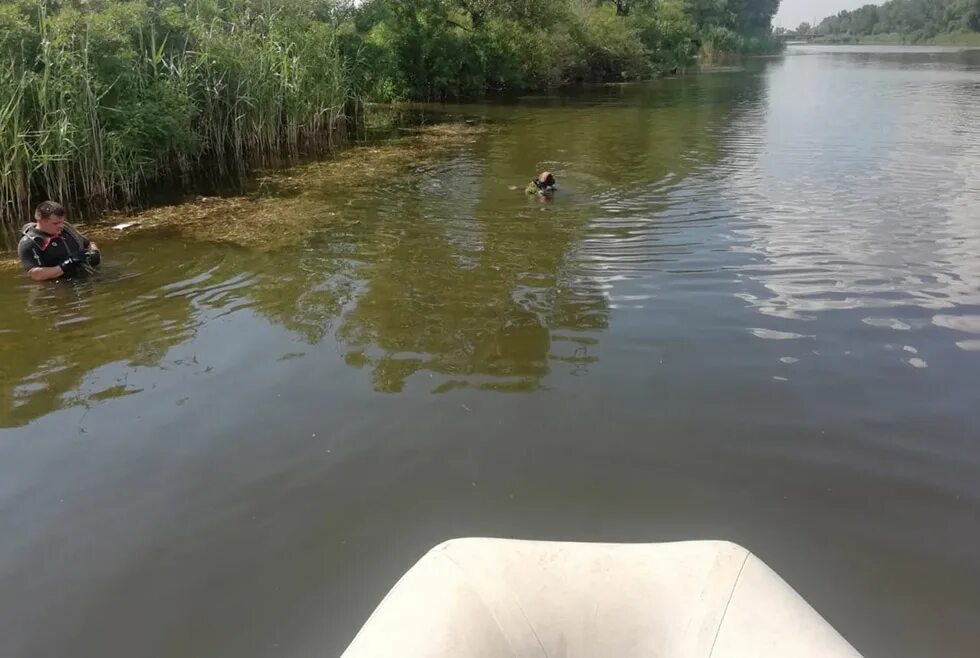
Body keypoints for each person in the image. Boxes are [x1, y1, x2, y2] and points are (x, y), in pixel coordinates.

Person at [18, 201, 101, 281]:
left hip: (85, 278)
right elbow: (36, 274)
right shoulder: (30, 243)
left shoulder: (67, 229)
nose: (61, 226)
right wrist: (67, 264)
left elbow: (89, 243)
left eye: (62, 222)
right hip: (59, 288)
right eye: (55, 223)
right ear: (41, 221)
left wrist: (95, 252)